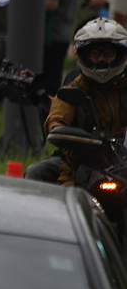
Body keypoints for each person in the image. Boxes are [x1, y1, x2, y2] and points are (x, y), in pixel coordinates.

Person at [44, 18, 127, 186]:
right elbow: (56, 120)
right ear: (83, 55)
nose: (101, 60)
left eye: (108, 53)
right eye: (95, 54)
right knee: (37, 171)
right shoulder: (73, 90)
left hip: (122, 167)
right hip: (79, 170)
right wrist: (69, 136)